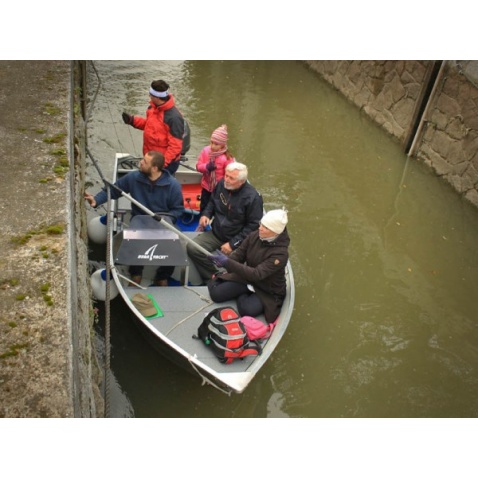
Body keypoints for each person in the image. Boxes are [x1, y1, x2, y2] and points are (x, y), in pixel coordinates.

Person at [84, 151, 184, 286]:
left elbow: (178, 210)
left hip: (162, 221)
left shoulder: (173, 185)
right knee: (135, 238)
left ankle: (163, 276)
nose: (140, 163)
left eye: (145, 162)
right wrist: (96, 200)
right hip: (140, 219)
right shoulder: (133, 178)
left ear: (154, 168)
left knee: (173, 243)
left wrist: (165, 218)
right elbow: (113, 190)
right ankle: (136, 273)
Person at [207, 208, 290, 324]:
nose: (260, 228)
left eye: (266, 227)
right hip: (248, 278)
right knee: (216, 294)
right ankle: (245, 289)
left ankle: (245, 292)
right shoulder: (255, 235)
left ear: (275, 232)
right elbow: (239, 255)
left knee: (246, 309)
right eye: (261, 224)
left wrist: (228, 262)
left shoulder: (280, 254)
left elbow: (257, 274)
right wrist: (226, 261)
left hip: (266, 288)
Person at [186, 162, 263, 284]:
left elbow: (253, 226)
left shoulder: (253, 198)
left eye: (231, 178)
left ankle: (228, 279)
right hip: (217, 234)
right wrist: (206, 214)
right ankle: (214, 275)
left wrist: (232, 244)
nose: (226, 179)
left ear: (241, 182)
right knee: (192, 247)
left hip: (238, 241)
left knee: (235, 265)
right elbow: (212, 201)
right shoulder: (222, 184)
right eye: (226, 175)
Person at [122, 80, 190, 175]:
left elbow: (175, 146)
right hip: (150, 160)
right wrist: (132, 120)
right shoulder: (152, 108)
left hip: (164, 164)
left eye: (151, 95)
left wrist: (161, 165)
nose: (149, 96)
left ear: (157, 97)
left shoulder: (174, 118)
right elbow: (149, 125)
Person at [196, 124, 235, 214]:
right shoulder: (206, 151)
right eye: (211, 142)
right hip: (206, 186)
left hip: (220, 189)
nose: (213, 146)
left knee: (218, 208)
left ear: (222, 145)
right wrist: (206, 167)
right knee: (204, 206)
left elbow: (230, 174)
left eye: (216, 144)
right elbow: (198, 166)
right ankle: (203, 221)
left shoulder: (227, 158)